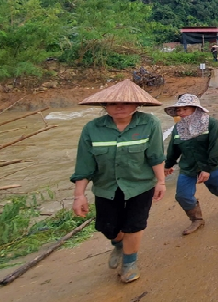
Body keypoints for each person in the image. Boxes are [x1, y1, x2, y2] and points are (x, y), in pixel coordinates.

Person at [71, 79, 166, 284]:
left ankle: (130, 263)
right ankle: (118, 245)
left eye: (126, 103)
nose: (120, 107)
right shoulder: (92, 129)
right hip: (106, 187)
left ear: (137, 105)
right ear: (105, 106)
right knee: (109, 228)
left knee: (134, 225)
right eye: (113, 103)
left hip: (140, 185)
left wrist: (161, 182)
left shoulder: (150, 124)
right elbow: (84, 165)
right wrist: (79, 196)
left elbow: (156, 156)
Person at [163, 94, 218, 236]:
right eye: (179, 110)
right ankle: (197, 219)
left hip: (211, 165)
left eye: (185, 109)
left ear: (196, 109)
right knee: (182, 195)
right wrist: (168, 165)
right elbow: (173, 149)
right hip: (188, 167)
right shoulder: (178, 128)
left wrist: (206, 169)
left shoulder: (211, 124)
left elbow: (215, 149)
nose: (181, 113)